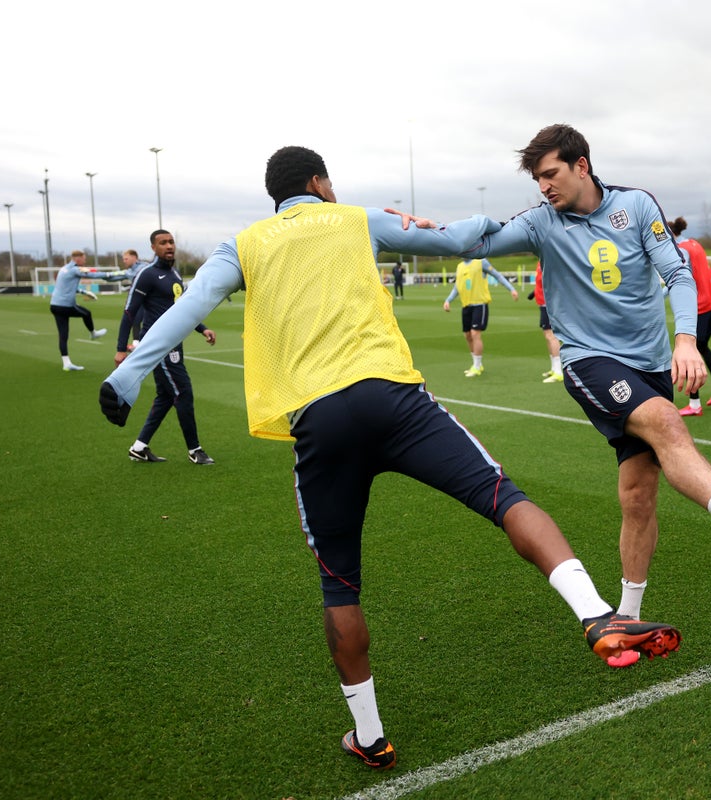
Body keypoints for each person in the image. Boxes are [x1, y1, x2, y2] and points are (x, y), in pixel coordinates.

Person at [98, 145, 681, 770]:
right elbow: (456, 241)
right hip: (395, 399)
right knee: (502, 498)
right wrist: (476, 225)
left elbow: (189, 308)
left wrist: (128, 376)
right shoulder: (355, 216)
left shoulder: (242, 244)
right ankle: (597, 616)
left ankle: (371, 737)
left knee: (339, 582)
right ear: (319, 181)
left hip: (319, 419)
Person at [461, 124, 711, 621]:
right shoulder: (542, 222)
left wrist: (686, 339)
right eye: (537, 179)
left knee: (638, 496)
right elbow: (474, 242)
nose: (544, 187)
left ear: (581, 165)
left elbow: (676, 273)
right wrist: (408, 229)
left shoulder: (637, 207)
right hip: (589, 359)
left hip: (650, 364)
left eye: (551, 174)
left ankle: (626, 616)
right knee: (668, 422)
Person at [114, 230, 217, 465]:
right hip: (158, 344)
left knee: (166, 396)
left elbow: (181, 310)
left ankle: (139, 447)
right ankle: (195, 450)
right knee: (183, 392)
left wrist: (202, 329)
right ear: (153, 248)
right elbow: (130, 311)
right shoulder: (147, 274)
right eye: (163, 243)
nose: (169, 246)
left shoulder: (174, 273)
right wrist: (121, 347)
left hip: (174, 343)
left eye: (171, 242)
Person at [667, 216, 711, 416]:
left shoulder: (680, 249)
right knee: (702, 346)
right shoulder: (694, 243)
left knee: (688, 350)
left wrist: (655, 295)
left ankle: (694, 404)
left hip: (698, 306)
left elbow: (679, 278)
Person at [442, 257, 519, 376]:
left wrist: (511, 289)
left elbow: (497, 275)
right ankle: (475, 364)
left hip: (479, 304)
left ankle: (477, 366)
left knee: (475, 333)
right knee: (467, 335)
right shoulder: (460, 266)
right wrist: (448, 300)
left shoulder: (481, 262)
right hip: (466, 305)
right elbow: (457, 286)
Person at [48, 249, 121, 371]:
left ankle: (66, 363)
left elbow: (66, 287)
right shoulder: (75, 269)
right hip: (65, 305)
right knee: (86, 313)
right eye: (84, 258)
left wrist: (83, 291)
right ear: (77, 258)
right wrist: (111, 275)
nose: (85, 261)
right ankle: (93, 333)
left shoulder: (64, 269)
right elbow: (92, 274)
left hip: (55, 305)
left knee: (63, 335)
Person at [531, 261, 563, 382]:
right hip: (543, 303)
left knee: (551, 336)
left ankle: (559, 371)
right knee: (547, 335)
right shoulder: (540, 261)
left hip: (550, 304)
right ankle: (554, 368)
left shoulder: (549, 261)